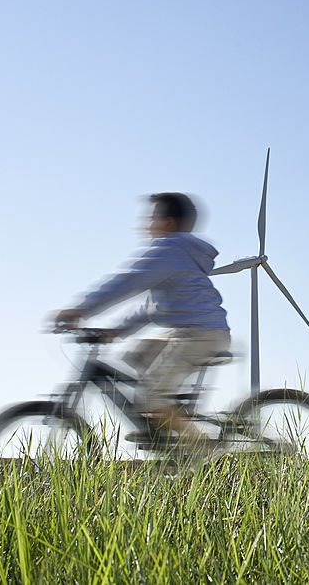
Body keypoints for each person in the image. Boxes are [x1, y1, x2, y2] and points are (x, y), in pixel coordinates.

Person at [53, 192, 230, 447]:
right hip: (192, 332)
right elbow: (151, 308)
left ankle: (203, 447)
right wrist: (115, 331)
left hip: (200, 335)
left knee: (151, 396)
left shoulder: (168, 250)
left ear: (167, 222)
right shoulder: (178, 255)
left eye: (151, 218)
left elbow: (125, 283)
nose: (145, 225)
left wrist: (80, 310)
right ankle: (161, 419)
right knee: (136, 354)